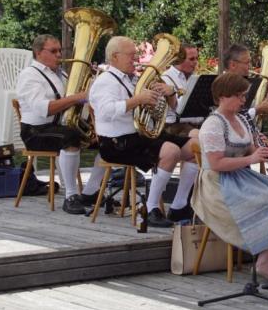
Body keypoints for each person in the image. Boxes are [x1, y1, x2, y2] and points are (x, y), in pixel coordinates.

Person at [191, 72, 268, 282]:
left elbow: (249, 149)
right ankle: (264, 262)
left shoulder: (240, 119)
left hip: (240, 178)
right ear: (223, 96)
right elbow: (217, 164)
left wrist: (266, 152)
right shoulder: (213, 125)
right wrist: (252, 158)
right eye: (239, 96)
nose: (243, 101)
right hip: (217, 184)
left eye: (244, 96)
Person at [88, 36, 200, 227]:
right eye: (131, 56)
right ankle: (150, 207)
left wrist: (169, 93)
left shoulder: (133, 80)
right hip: (115, 142)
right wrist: (138, 100)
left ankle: (179, 205)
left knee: (196, 147)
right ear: (115, 57)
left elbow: (174, 110)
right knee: (170, 151)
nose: (136, 59)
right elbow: (105, 111)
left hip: (138, 136)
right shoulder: (105, 81)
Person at [15, 34, 96, 214]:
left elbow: (75, 101)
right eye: (53, 51)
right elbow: (45, 109)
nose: (59, 55)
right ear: (38, 53)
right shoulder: (30, 75)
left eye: (59, 50)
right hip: (35, 132)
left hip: (55, 128)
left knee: (104, 139)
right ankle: (71, 196)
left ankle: (91, 191)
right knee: (70, 136)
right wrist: (77, 97)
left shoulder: (61, 74)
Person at [224, 43, 268, 120]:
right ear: (233, 65)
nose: (250, 66)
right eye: (247, 62)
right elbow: (230, 118)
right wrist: (257, 110)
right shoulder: (222, 86)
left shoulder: (250, 83)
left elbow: (264, 116)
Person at [162, 42, 201, 137]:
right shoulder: (165, 78)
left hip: (194, 125)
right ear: (179, 60)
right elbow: (177, 109)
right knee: (204, 137)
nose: (196, 62)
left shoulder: (195, 77)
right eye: (191, 59)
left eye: (197, 58)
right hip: (175, 126)